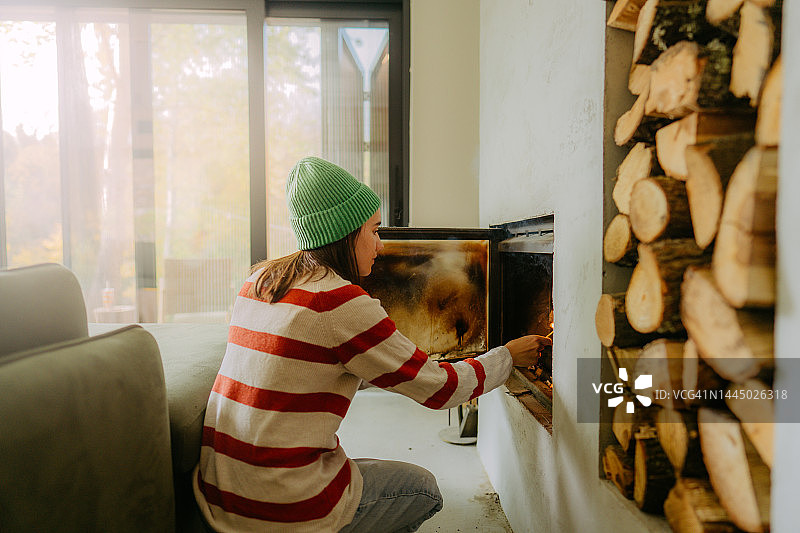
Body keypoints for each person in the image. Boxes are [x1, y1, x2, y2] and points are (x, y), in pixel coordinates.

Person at [193, 156, 551, 533]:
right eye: (375, 230)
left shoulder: (262, 280)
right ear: (347, 233)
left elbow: (305, 367)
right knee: (423, 489)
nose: (380, 245)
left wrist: (394, 365)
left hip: (221, 495)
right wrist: (508, 356)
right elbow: (442, 391)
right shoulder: (337, 302)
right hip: (282, 509)